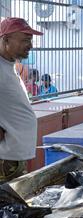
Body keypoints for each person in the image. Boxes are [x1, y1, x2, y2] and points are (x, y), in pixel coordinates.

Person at [0, 17, 43, 182]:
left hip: (12, 157)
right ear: (6, 40)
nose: (30, 46)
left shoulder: (9, 64)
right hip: (5, 159)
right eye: (25, 40)